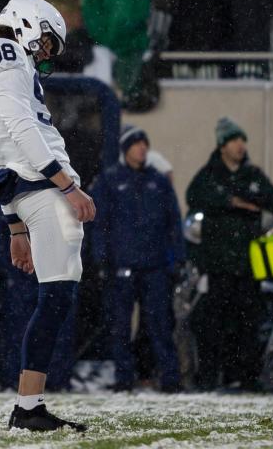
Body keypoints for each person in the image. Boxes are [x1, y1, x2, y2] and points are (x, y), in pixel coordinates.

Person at [0, 0, 94, 431]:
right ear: (25, 25)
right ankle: (28, 407)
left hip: (24, 188)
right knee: (57, 296)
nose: (42, 55)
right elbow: (20, 129)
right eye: (45, 44)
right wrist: (68, 186)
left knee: (57, 296)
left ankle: (30, 403)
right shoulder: (2, 52)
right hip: (42, 186)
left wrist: (13, 223)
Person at [186, 117, 273, 391]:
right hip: (218, 265)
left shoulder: (253, 175)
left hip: (247, 264)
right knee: (214, 326)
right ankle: (209, 379)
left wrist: (248, 199)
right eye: (235, 140)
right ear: (223, 145)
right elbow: (193, 196)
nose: (241, 146)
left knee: (247, 326)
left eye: (243, 141)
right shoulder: (209, 174)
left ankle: (246, 378)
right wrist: (231, 202)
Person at [90, 125, 184, 393]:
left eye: (145, 143)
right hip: (122, 266)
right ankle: (124, 379)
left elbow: (173, 221)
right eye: (136, 143)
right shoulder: (110, 181)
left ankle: (169, 379)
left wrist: (177, 257)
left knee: (160, 326)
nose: (142, 148)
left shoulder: (158, 181)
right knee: (120, 327)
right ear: (125, 149)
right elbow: (100, 223)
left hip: (154, 266)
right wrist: (101, 259)